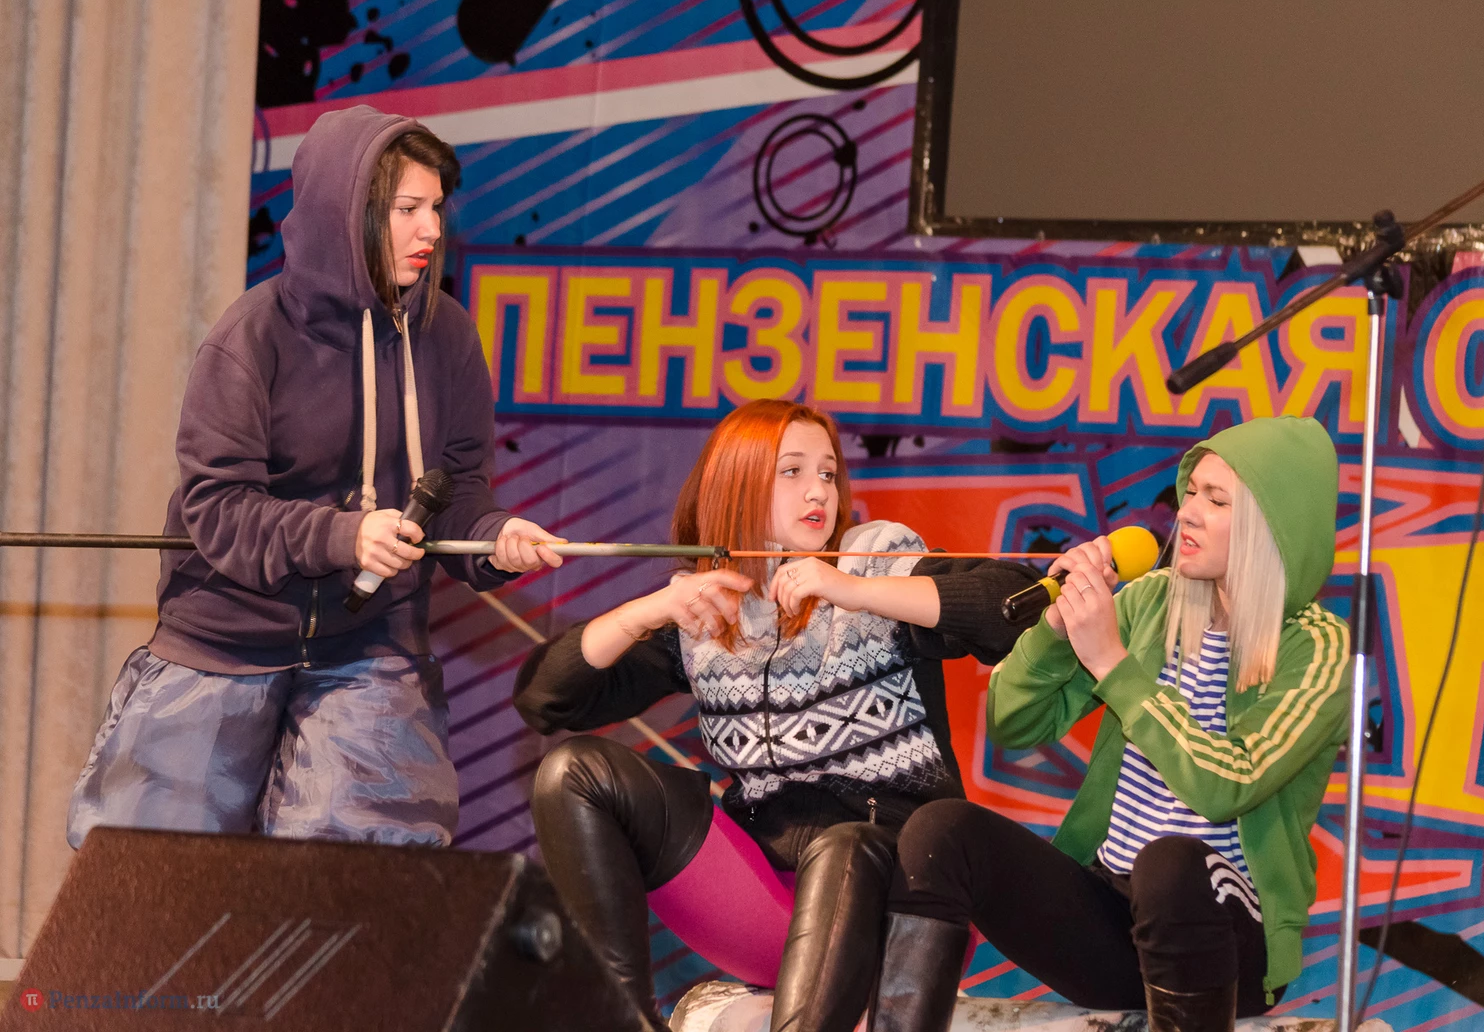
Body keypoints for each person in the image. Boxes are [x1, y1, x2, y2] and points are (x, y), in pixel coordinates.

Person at [67, 105, 561, 849]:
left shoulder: (449, 336)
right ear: (347, 211)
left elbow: (457, 492)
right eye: (408, 210)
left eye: (436, 209)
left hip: (370, 642)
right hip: (226, 634)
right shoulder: (251, 336)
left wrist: (495, 537)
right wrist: (344, 536)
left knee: (357, 878)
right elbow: (218, 508)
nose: (431, 229)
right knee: (152, 876)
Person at [512, 399, 1041, 1032]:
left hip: (898, 903)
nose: (819, 490)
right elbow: (546, 698)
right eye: (792, 471)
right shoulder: (708, 607)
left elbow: (1018, 603)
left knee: (845, 844)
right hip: (768, 904)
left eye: (828, 472)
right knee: (573, 772)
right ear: (737, 482)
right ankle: (618, 1018)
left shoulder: (872, 559)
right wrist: (644, 613)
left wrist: (855, 590)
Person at [872, 416, 1350, 1032]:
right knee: (941, 831)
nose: (1188, 512)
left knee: (1170, 864)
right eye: (1191, 492)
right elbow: (1014, 722)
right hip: (1111, 922)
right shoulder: (1151, 601)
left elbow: (1228, 784)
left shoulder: (1317, 647)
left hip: (1226, 948)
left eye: (1216, 500)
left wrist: (1114, 665)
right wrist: (1054, 628)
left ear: (1272, 525)